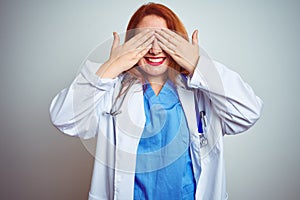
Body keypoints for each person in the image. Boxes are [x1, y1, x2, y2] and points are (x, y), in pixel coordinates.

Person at [49, 2, 263, 200]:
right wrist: (111, 67)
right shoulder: (112, 90)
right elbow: (64, 118)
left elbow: (249, 112)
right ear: (130, 45)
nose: (155, 50)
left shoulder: (200, 90)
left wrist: (199, 65)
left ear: (179, 44)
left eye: (163, 39)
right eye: (144, 41)